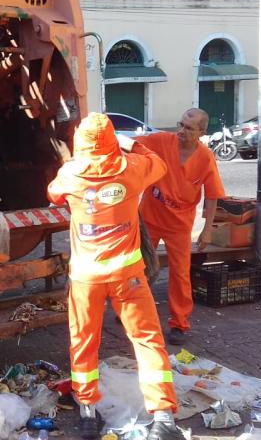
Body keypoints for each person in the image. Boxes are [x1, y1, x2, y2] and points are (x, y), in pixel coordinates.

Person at [48, 112, 185, 440]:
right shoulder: (133, 168)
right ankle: (163, 418)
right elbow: (158, 163)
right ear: (113, 140)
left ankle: (86, 412)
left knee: (84, 343)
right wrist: (132, 145)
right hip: (128, 276)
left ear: (79, 143)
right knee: (148, 340)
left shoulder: (70, 174)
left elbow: (53, 193)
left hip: (86, 278)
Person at [135, 108, 225, 346]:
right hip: (150, 218)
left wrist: (207, 229)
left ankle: (179, 324)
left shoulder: (205, 157)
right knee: (138, 266)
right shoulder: (162, 141)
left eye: (188, 128)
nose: (181, 131)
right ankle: (131, 313)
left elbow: (213, 194)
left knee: (180, 274)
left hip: (179, 224)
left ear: (202, 132)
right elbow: (131, 144)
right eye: (181, 124)